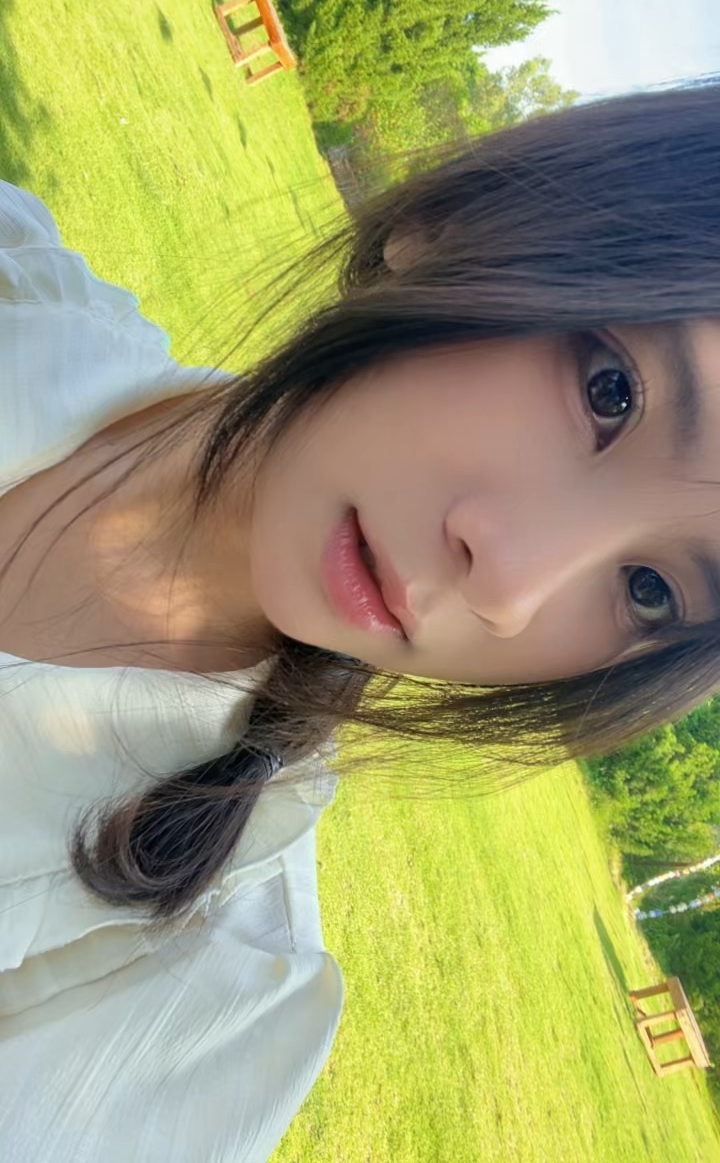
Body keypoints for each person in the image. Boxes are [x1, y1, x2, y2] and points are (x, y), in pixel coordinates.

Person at [0, 81, 719, 1159]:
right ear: (457, 229)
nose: (510, 585)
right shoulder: (18, 280)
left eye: (650, 590)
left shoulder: (193, 992)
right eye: (611, 392)